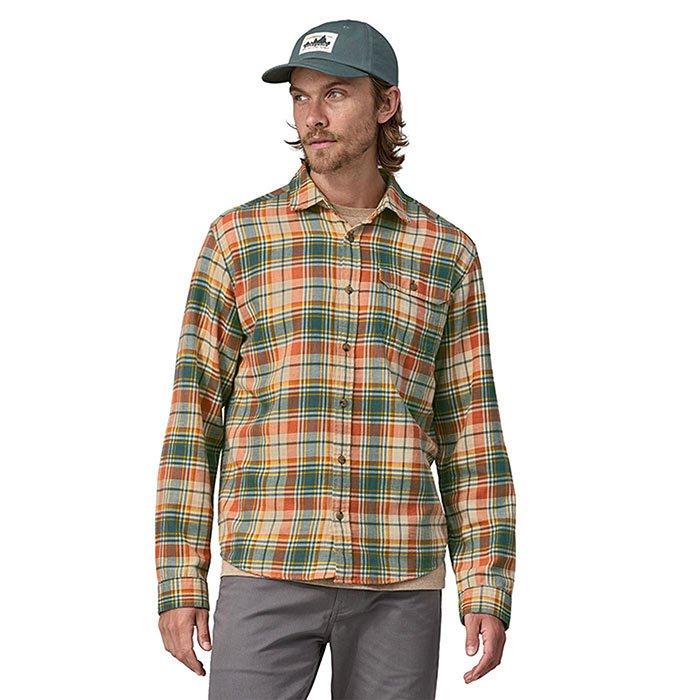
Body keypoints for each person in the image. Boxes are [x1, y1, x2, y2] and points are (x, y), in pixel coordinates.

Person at [155, 18, 517, 700]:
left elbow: (471, 431)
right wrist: (179, 580)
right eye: (300, 96)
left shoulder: (447, 252)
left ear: (386, 105)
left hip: (398, 579)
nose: (312, 116)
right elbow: (192, 422)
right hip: (267, 564)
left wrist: (487, 584)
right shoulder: (237, 239)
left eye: (335, 94)